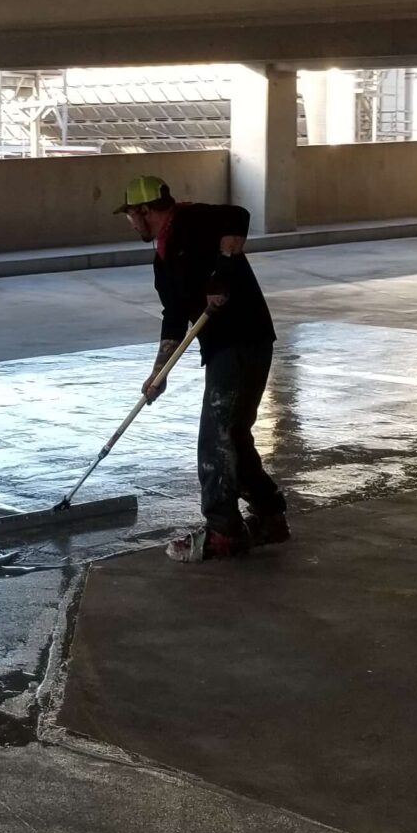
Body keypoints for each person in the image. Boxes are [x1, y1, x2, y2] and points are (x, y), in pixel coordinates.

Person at [115, 175, 288, 562]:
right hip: (226, 346)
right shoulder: (162, 259)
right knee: (233, 435)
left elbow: (238, 215)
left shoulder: (191, 219)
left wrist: (222, 275)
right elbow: (174, 317)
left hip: (243, 339)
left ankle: (223, 532)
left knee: (215, 438)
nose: (129, 223)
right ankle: (271, 514)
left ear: (145, 211)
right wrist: (159, 372)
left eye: (130, 214)